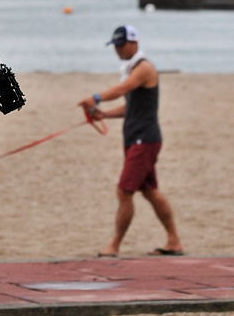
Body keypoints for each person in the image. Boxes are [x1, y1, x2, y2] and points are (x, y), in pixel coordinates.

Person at [78, 24, 183, 258]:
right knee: (150, 191)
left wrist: (96, 98)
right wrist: (104, 114)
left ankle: (114, 244)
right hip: (137, 139)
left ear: (134, 43)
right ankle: (174, 241)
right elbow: (130, 107)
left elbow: (123, 88)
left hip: (144, 140)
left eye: (121, 45)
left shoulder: (144, 69)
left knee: (124, 191)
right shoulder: (132, 69)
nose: (118, 50)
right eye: (115, 46)